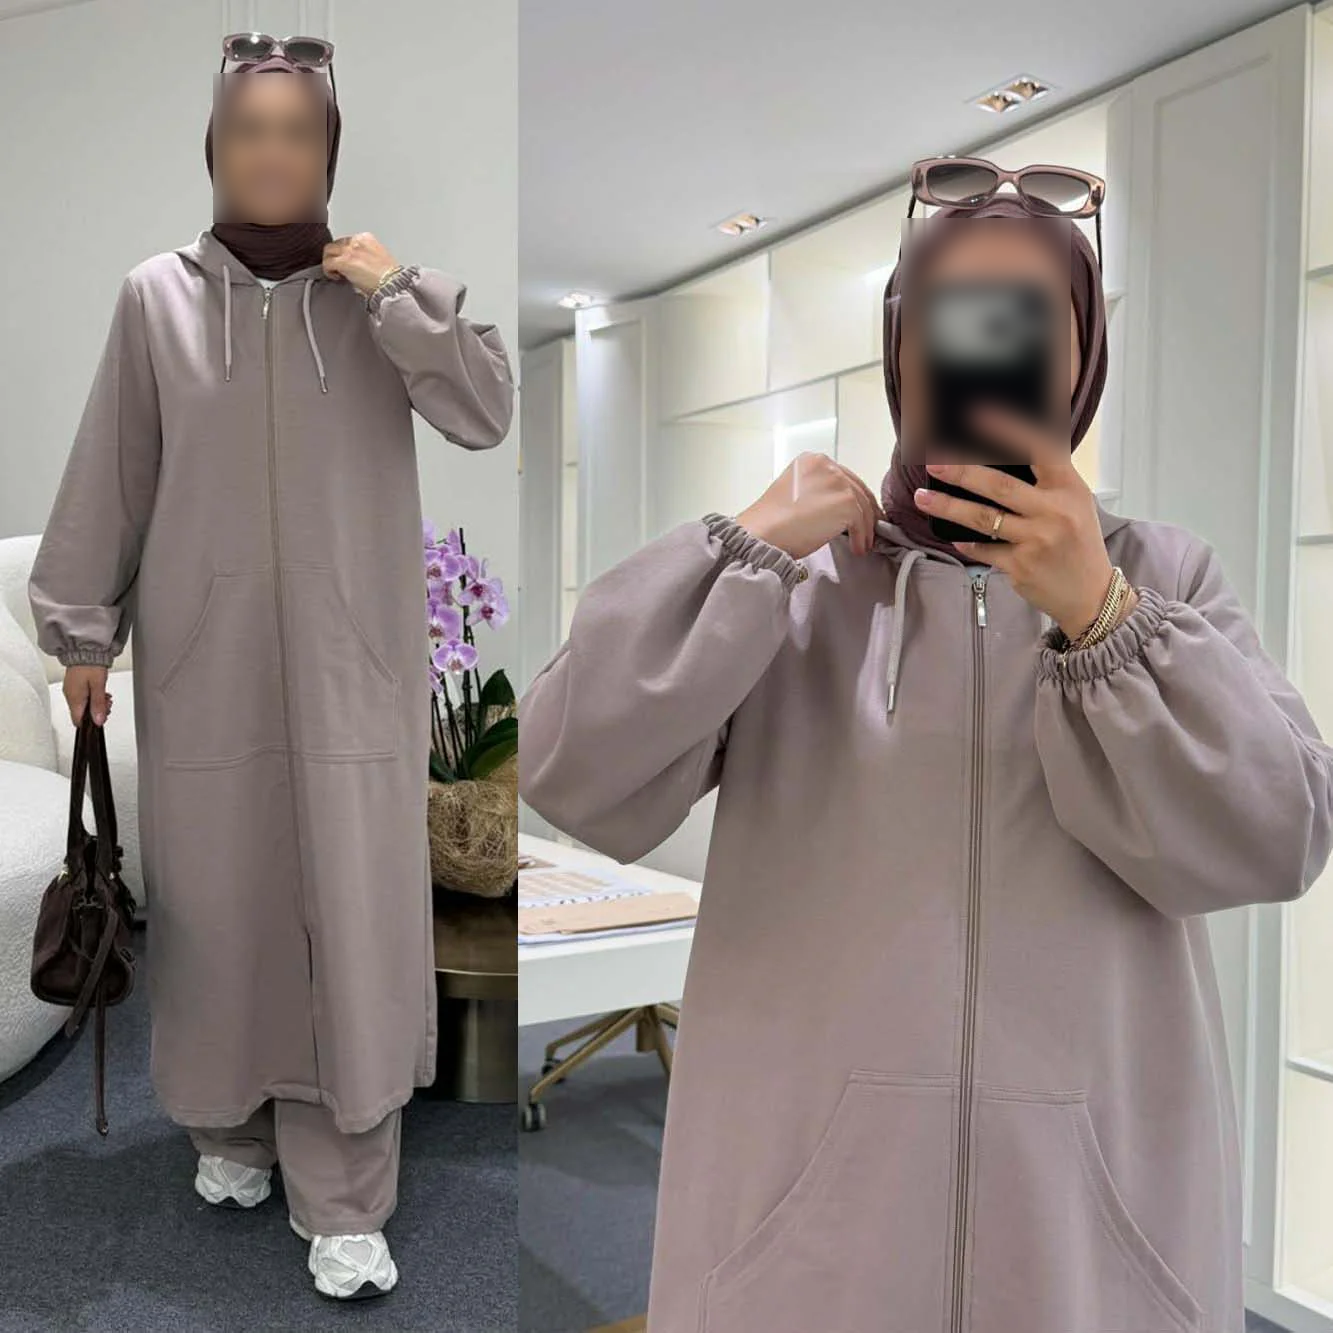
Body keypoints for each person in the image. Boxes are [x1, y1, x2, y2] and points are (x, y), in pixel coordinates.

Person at [517, 187, 1333, 1331]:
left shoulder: (1162, 578)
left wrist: (1100, 613)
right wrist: (747, 548)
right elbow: (567, 768)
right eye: (952, 310)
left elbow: (1276, 835)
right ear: (899, 345)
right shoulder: (800, 583)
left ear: (1081, 353)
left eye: (1026, 315)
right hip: (801, 1235)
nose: (986, 344)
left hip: (1089, 1240)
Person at [28, 42, 514, 1300]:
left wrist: (395, 285)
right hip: (206, 668)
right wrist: (83, 635)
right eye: (249, 129)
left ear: (328, 152)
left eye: (299, 131)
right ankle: (230, 1128)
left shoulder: (380, 299)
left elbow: (484, 410)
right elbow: (114, 468)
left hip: (355, 670)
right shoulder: (155, 298)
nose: (272, 154)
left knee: (352, 917)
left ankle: (346, 1193)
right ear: (215, 146)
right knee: (219, 906)